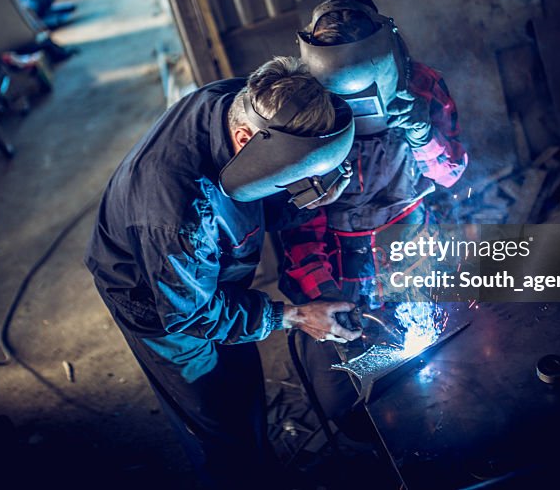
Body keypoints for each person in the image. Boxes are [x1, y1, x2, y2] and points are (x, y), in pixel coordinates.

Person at [84, 56, 362, 489]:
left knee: (244, 384)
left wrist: (307, 192)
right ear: (245, 138)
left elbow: (258, 187)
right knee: (216, 421)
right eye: (293, 173)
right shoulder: (178, 212)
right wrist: (294, 315)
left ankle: (261, 470)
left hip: (208, 275)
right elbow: (194, 315)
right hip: (161, 302)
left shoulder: (242, 100)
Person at [278, 0, 468, 436]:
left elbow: (453, 175)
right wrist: (324, 301)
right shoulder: (301, 109)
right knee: (347, 408)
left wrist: (424, 138)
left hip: (414, 258)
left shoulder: (422, 86)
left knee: (451, 375)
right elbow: (300, 232)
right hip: (339, 272)